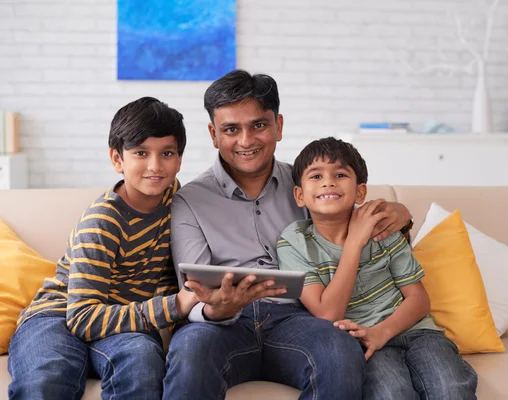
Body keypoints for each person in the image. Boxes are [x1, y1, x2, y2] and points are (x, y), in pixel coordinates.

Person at [165, 69, 414, 400]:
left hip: (298, 319)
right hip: (223, 326)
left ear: (278, 126)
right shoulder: (189, 201)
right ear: (213, 134)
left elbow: (354, 218)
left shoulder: (309, 185)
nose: (246, 140)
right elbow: (195, 291)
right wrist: (217, 309)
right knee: (190, 349)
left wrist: (402, 214)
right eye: (230, 129)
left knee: (339, 350)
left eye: (259, 125)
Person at [8, 97, 202, 400]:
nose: (155, 165)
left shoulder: (181, 204)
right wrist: (175, 305)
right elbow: (83, 318)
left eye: (167, 153)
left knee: (142, 364)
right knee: (47, 378)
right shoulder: (103, 221)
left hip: (124, 322)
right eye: (141, 153)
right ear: (117, 159)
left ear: (179, 159)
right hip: (60, 315)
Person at [277, 137, 478, 400]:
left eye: (340, 174)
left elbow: (419, 299)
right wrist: (355, 243)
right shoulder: (294, 242)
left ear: (360, 192)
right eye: (316, 175)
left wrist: (381, 332)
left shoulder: (382, 228)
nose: (328, 182)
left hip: (418, 332)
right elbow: (327, 315)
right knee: (392, 394)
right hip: (362, 343)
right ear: (300, 195)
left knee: (450, 388)